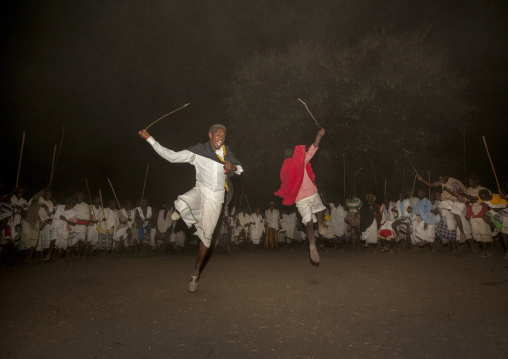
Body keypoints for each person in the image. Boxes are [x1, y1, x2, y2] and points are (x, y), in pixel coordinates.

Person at [139, 124, 243, 292]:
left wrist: (233, 167)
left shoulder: (226, 153)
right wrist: (150, 139)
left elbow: (240, 169)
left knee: (207, 237)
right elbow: (171, 157)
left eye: (223, 136)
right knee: (182, 201)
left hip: (216, 199)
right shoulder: (198, 152)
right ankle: (180, 211)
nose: (221, 138)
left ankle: (195, 273)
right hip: (200, 191)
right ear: (210, 135)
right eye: (218, 135)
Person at [275, 128, 335, 266]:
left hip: (299, 199)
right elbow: (312, 149)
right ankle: (321, 228)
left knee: (308, 222)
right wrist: (319, 135)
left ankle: (312, 245)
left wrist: (283, 192)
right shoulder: (300, 162)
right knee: (320, 208)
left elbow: (284, 184)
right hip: (311, 193)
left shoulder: (285, 169)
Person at [417, 174, 477, 253]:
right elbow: (432, 185)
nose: (441, 181)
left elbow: (457, 194)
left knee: (464, 227)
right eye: (440, 180)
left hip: (458, 203)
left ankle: (470, 245)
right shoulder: (442, 188)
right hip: (450, 206)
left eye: (442, 180)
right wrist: (422, 179)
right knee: (450, 227)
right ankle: (454, 247)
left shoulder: (454, 183)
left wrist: (447, 191)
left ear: (446, 178)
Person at [461, 174, 493, 256]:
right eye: (468, 181)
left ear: (476, 181)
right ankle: (484, 249)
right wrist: (467, 202)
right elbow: (467, 200)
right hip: (472, 214)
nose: (469, 183)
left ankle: (484, 251)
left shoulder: (484, 190)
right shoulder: (468, 190)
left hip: (482, 214)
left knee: (484, 232)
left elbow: (485, 200)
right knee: (476, 235)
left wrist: (474, 200)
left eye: (471, 181)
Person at [20, 184, 52, 264]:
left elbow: (48, 214)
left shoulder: (49, 203)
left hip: (38, 222)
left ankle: (28, 258)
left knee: (34, 241)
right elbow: (36, 196)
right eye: (47, 193)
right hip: (28, 220)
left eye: (50, 195)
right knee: (26, 236)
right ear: (43, 193)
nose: (48, 196)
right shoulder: (37, 199)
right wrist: (45, 188)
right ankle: (25, 255)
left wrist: (46, 208)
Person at [412, 188, 439, 252]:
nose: (419, 194)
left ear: (424, 194)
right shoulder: (418, 202)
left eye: (420, 192)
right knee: (417, 229)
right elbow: (418, 212)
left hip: (431, 220)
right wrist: (411, 210)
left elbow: (430, 212)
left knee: (429, 235)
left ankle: (432, 248)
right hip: (425, 220)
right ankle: (426, 241)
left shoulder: (427, 201)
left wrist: (426, 222)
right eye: (418, 193)